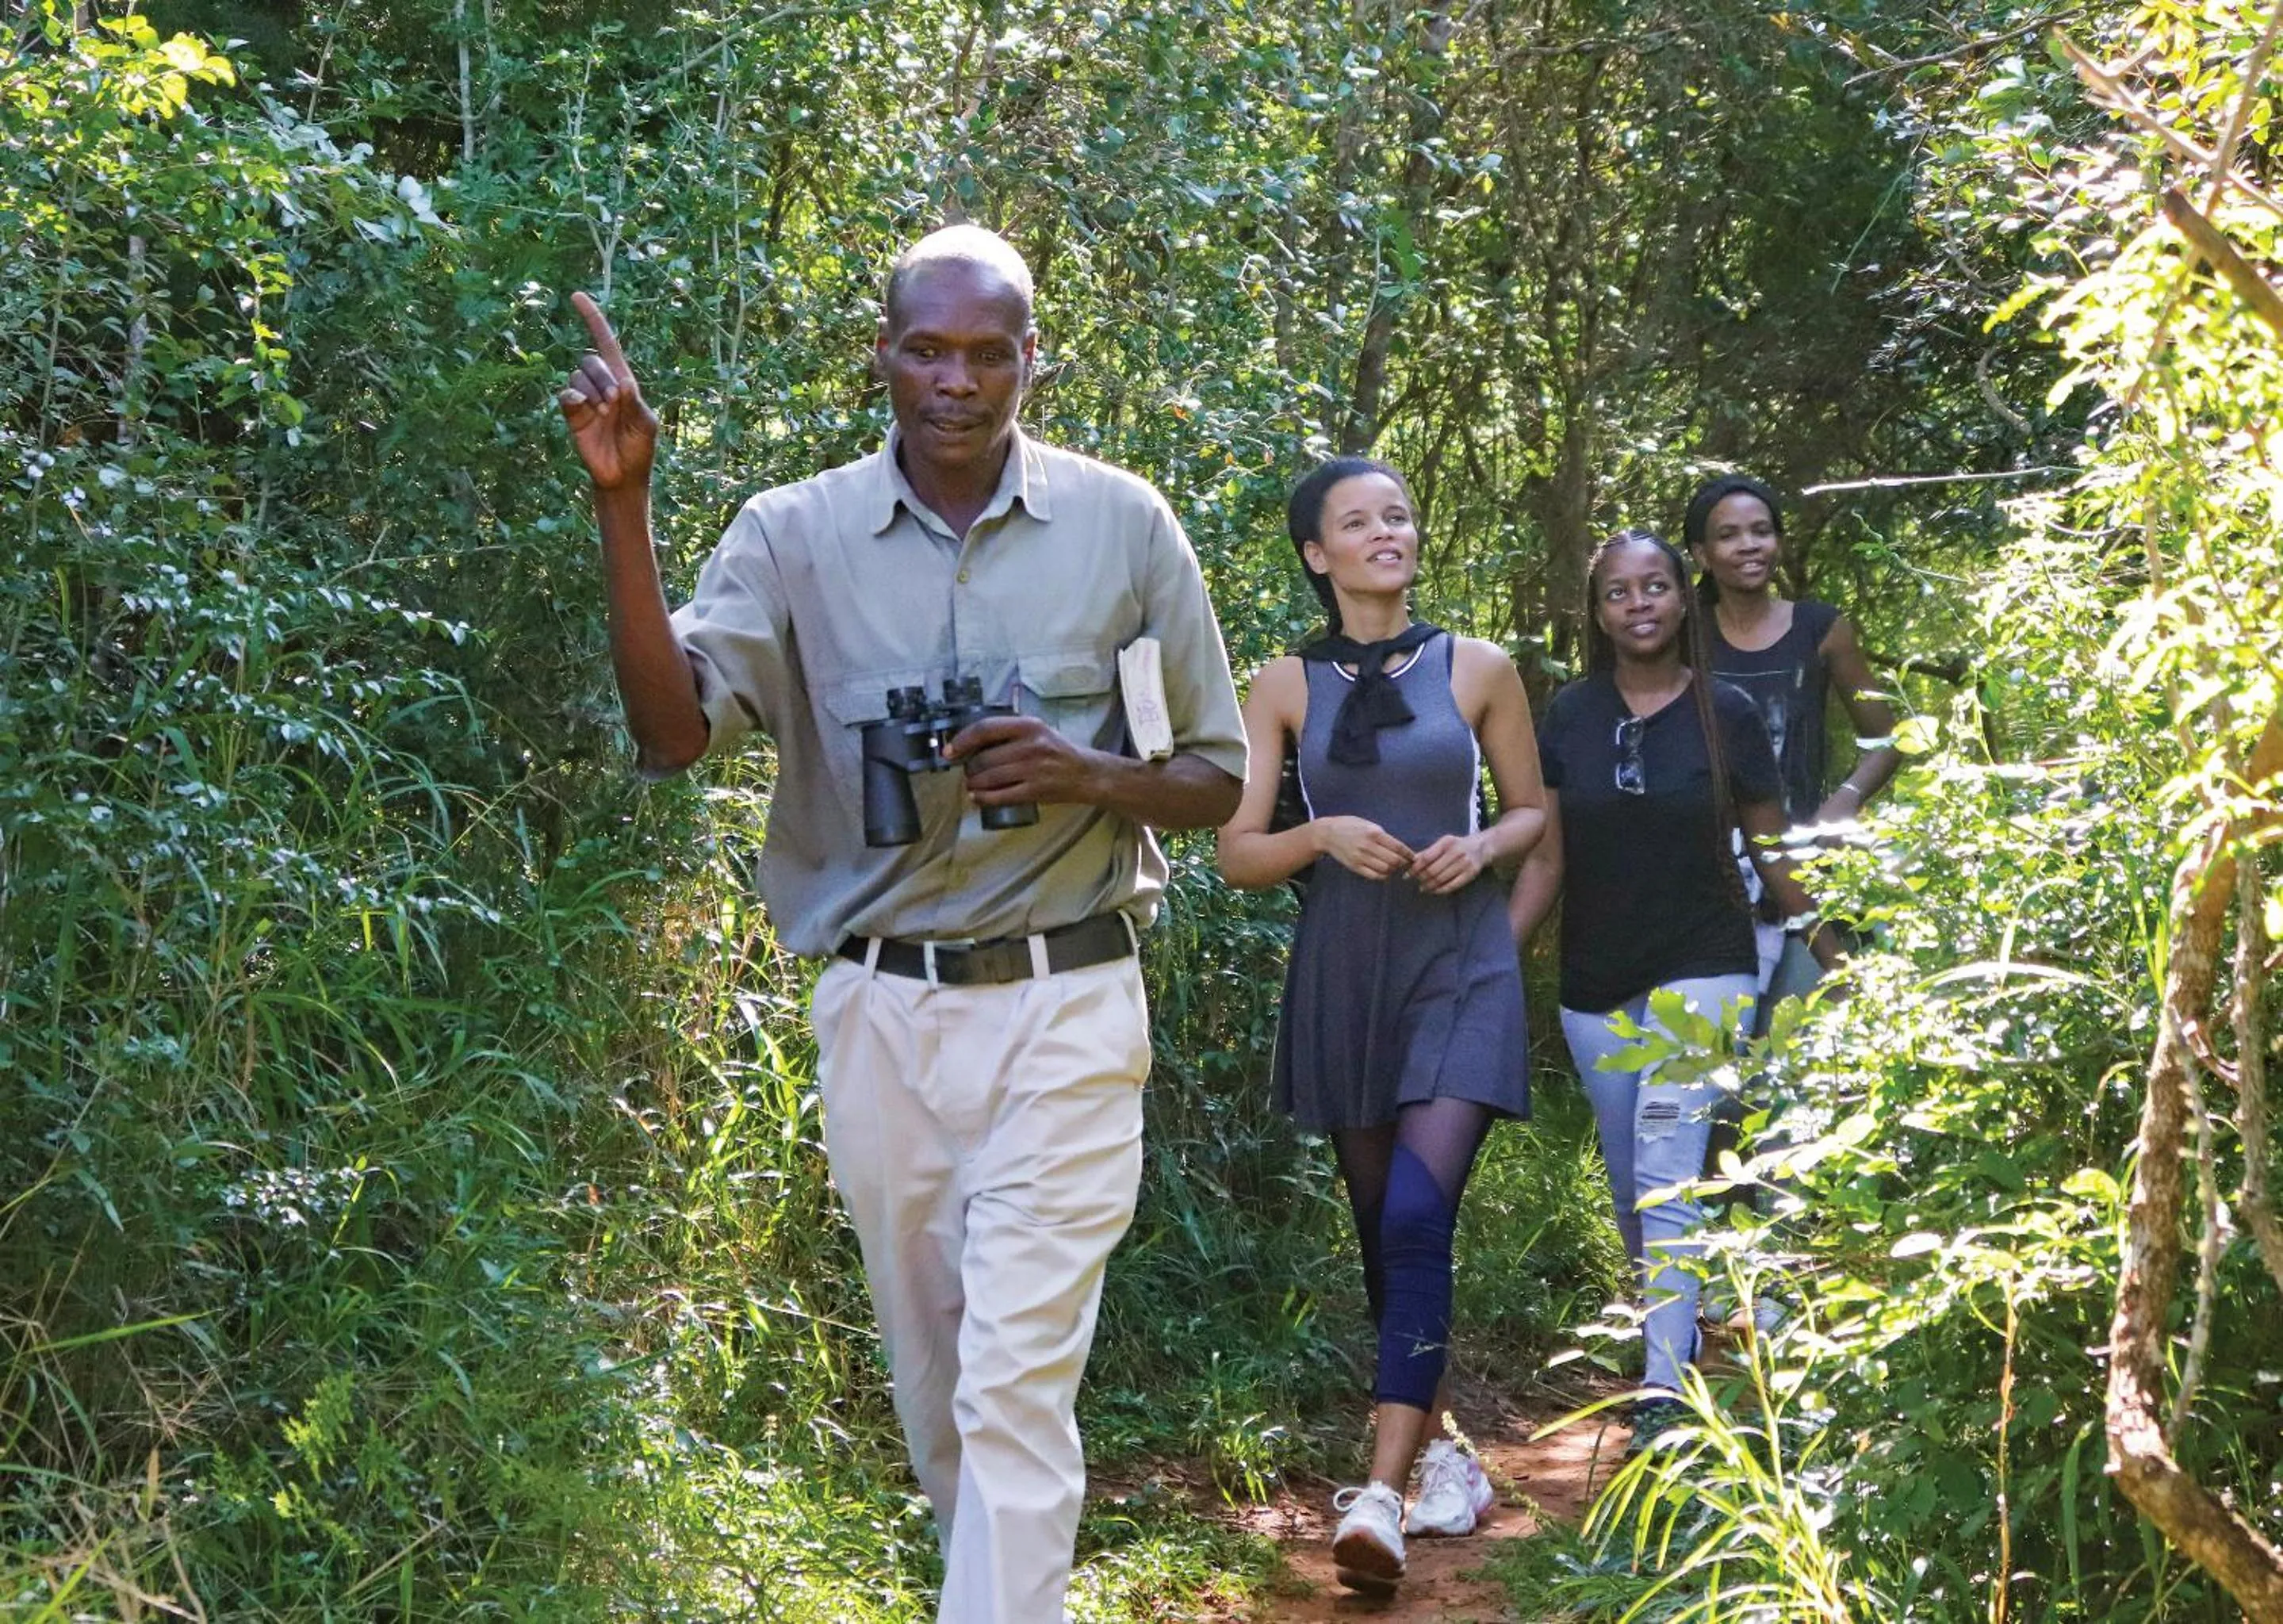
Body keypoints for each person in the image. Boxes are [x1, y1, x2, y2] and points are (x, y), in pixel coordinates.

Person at [556, 225, 1247, 1624]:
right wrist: (622, 510)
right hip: (878, 1007)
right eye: (925, 349)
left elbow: (1217, 778)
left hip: (1067, 993)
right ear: (880, 356)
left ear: (1030, 363)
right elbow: (671, 728)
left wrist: (1082, 770)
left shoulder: (1123, 527)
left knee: (1011, 1385)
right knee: (939, 1394)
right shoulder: (792, 532)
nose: (955, 380)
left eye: (987, 353)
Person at [1217, 458, 1545, 1594]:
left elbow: (1533, 811)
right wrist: (1319, 837)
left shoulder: (1480, 668)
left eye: (1397, 514)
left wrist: (1485, 847)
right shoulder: (1279, 684)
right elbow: (1238, 854)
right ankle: (1449, 1451)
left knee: (1413, 1213)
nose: (1384, 532)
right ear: (1317, 553)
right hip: (1344, 971)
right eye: (1357, 522)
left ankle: (1379, 1496)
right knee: (1381, 1234)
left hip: (1458, 966)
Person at [1509, 529, 1837, 1446]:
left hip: (1706, 959)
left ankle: (1659, 1386)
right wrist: (1496, 960)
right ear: (1599, 611)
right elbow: (1543, 852)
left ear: (1678, 597)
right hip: (1596, 973)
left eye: (1654, 585)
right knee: (1629, 1182)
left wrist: (1822, 933)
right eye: (1619, 592)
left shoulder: (1724, 712)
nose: (1639, 603)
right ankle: (1676, 1330)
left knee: (1665, 1169)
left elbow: (1771, 848)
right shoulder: (1568, 715)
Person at [1684, 473, 1899, 1009]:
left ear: (1777, 542)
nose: (1748, 545)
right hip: (1707, 877)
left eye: (1761, 531)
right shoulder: (1681, 635)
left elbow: (1887, 738)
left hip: (1807, 862)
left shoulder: (1820, 627)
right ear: (1701, 554)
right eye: (1728, 535)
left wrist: (1846, 799)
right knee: (1718, 1047)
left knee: (1803, 1038)